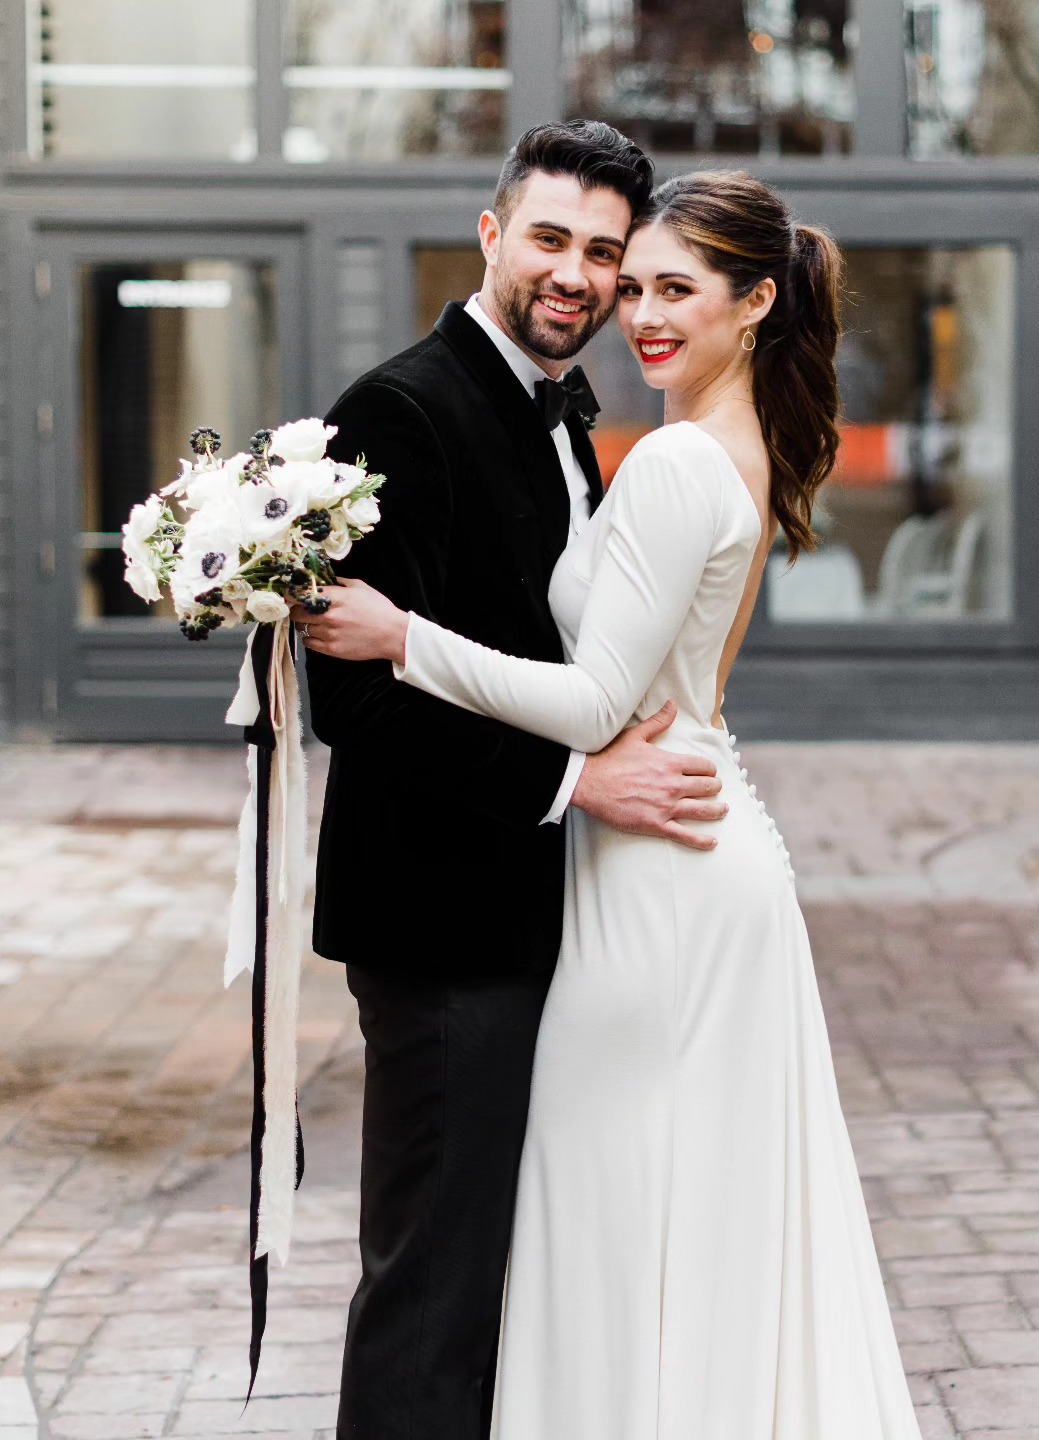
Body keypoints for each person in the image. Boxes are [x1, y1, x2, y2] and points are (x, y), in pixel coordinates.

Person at [300, 170, 922, 1438]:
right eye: (618, 274)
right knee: (660, 1218)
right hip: (641, 855)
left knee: (612, 1214)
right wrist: (587, 766)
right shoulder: (691, 443)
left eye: (660, 283)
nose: (627, 304)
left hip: (658, 872)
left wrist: (401, 633)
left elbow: (593, 703)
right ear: (492, 235)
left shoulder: (679, 456)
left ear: (755, 304)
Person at [301, 121, 730, 1439]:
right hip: (443, 928)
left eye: (605, 252)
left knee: (506, 1270)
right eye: (551, 239)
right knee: (432, 1278)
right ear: (492, 236)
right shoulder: (399, 408)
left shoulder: (562, 415)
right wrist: (575, 785)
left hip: (538, 917)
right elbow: (355, 698)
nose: (577, 274)